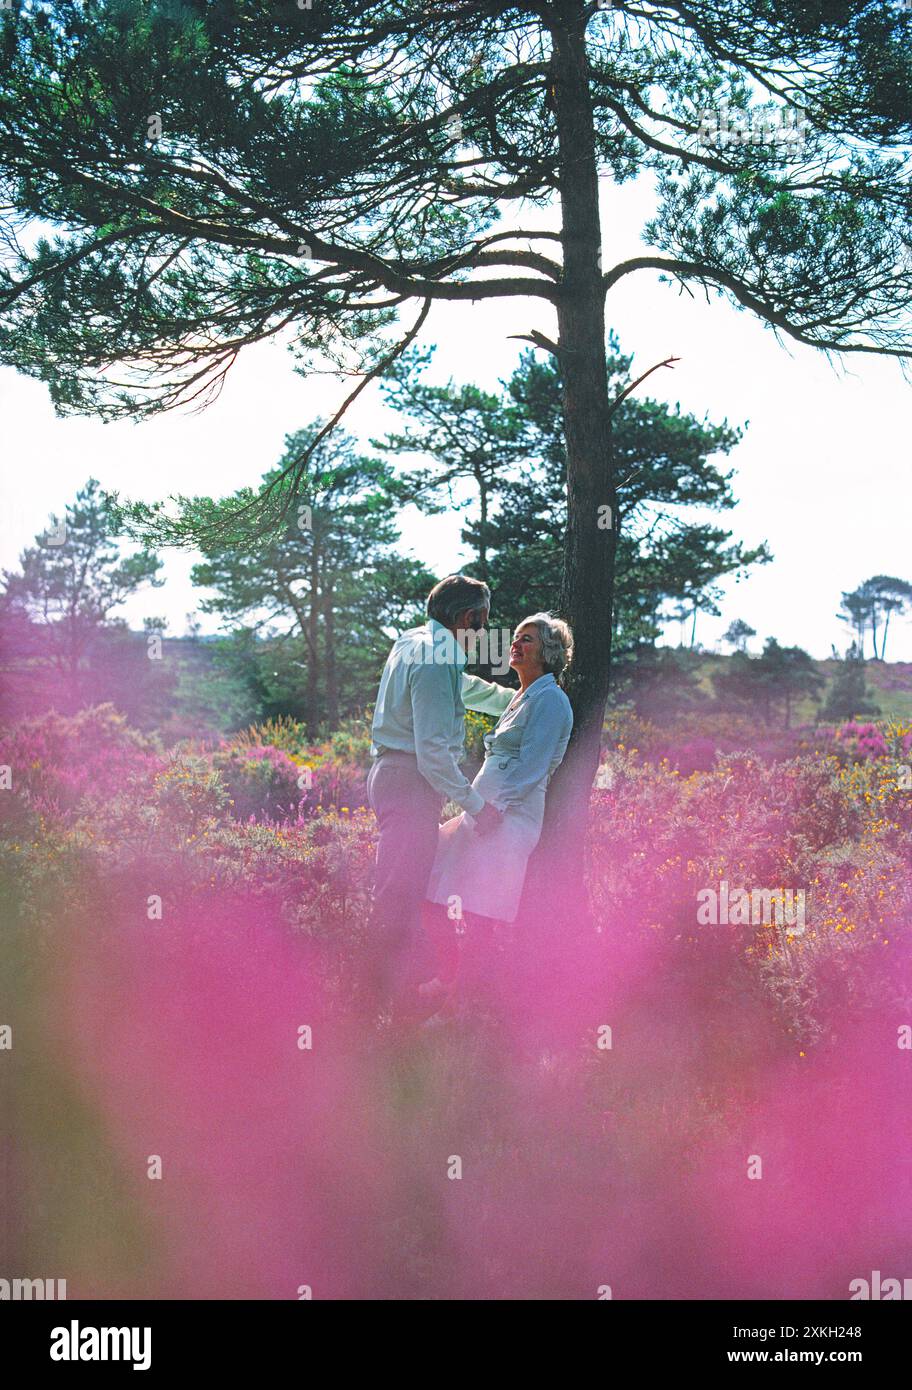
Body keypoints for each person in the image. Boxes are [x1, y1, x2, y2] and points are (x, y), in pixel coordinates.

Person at [365, 574, 514, 1011]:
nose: (483, 633)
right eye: (482, 623)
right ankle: (379, 1003)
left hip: (397, 777)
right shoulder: (434, 657)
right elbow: (432, 755)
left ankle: (386, 999)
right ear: (468, 617)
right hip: (409, 782)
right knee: (399, 897)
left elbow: (462, 689)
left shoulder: (417, 642)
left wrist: (517, 699)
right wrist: (477, 807)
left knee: (401, 892)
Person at [422, 613, 574, 1001]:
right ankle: (451, 980)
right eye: (516, 638)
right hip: (484, 813)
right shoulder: (521, 697)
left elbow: (532, 767)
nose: (516, 645)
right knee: (428, 881)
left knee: (479, 913)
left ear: (549, 651)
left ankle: (471, 1003)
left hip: (509, 817)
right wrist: (480, 810)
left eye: (528, 640)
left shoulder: (552, 700)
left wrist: (495, 812)